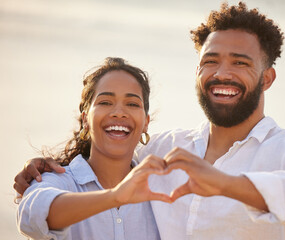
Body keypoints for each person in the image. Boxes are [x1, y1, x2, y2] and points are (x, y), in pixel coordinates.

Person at [14, 2, 285, 240]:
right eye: (210, 61)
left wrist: (224, 183)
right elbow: (109, 156)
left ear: (267, 78)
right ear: (198, 71)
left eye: (240, 62)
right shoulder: (166, 149)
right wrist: (47, 165)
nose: (222, 73)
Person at [16, 57, 171, 240]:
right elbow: (33, 216)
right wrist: (115, 196)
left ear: (146, 122)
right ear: (85, 120)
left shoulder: (161, 191)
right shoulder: (56, 180)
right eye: (105, 102)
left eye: (132, 104)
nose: (119, 112)